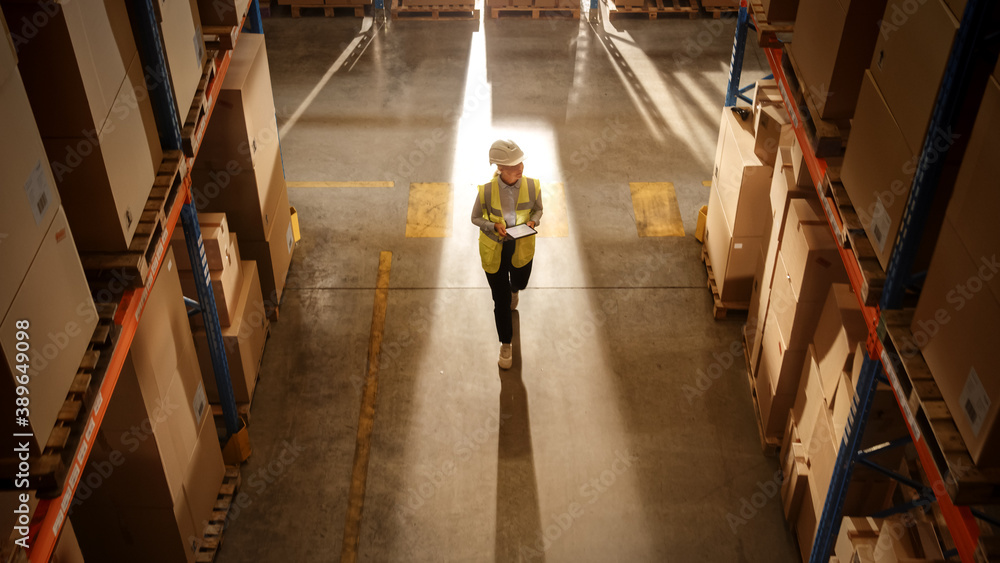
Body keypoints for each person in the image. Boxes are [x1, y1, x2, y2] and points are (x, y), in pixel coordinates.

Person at [471, 139, 543, 369]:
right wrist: (492, 226)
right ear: (500, 168)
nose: (520, 169)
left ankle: (515, 289)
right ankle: (505, 343)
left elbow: (538, 209)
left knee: (520, 282)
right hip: (495, 248)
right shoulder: (487, 191)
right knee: (500, 301)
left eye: (520, 163)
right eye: (513, 166)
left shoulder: (532, 186)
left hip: (520, 244)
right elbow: (475, 218)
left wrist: (534, 221)